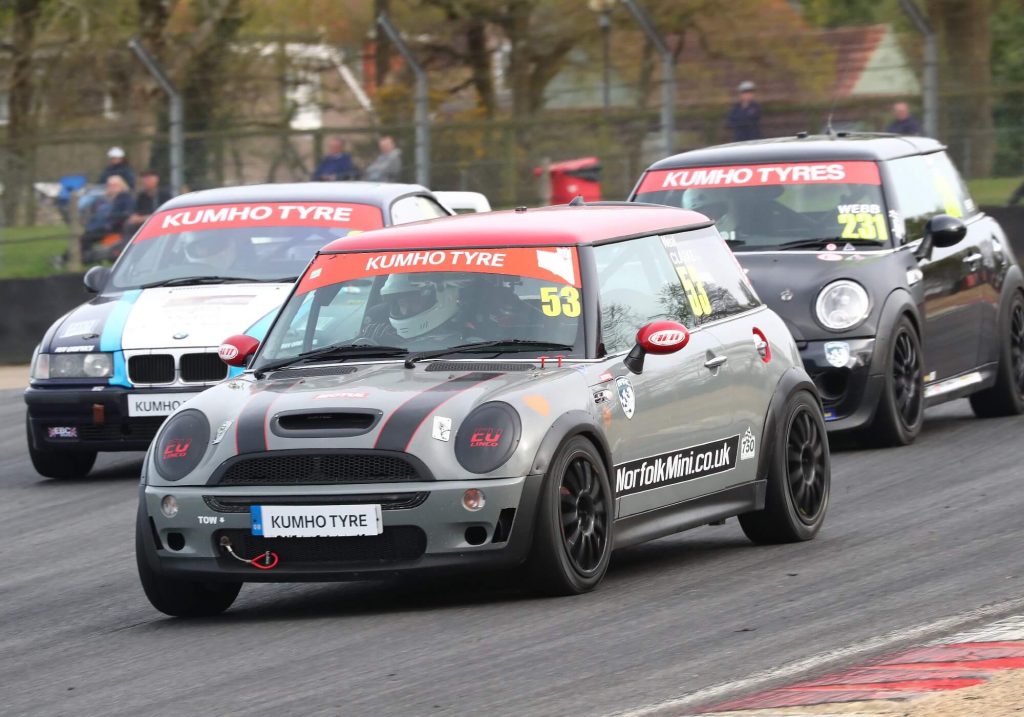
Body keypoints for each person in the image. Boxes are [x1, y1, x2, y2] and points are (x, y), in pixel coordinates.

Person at [79, 175, 134, 262]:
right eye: (109, 185)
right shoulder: (103, 199)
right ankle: (81, 257)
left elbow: (125, 214)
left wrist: (110, 223)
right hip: (101, 226)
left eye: (114, 185)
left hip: (114, 228)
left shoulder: (125, 198)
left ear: (122, 186)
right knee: (85, 237)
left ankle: (81, 258)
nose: (111, 188)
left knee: (87, 237)